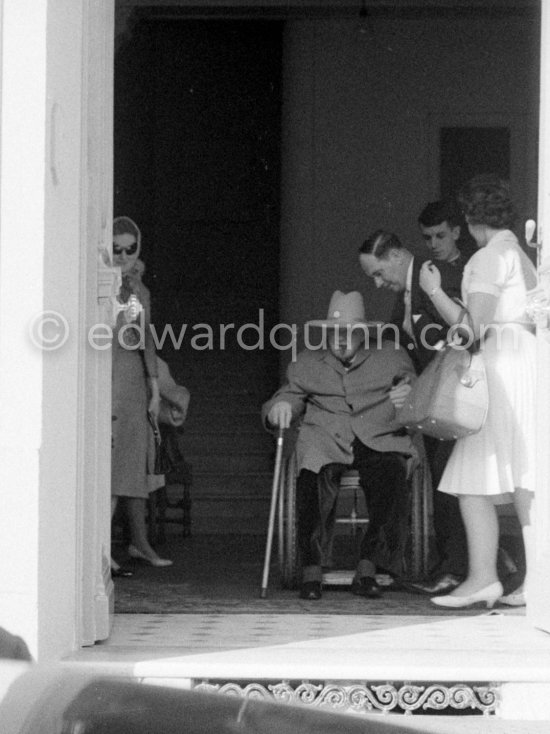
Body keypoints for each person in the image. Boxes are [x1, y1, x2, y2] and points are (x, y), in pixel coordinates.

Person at [418, 174, 536, 608]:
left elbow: (473, 327)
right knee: (524, 480)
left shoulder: (489, 258)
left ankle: (483, 577)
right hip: (523, 362)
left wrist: (433, 292)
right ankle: (534, 582)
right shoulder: (518, 254)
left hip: (501, 366)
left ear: (468, 217)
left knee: (472, 478)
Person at [262, 290, 417, 601]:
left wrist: (410, 392)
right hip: (326, 437)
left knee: (392, 475)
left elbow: (418, 389)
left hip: (378, 435)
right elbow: (288, 396)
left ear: (363, 332)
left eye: (350, 332)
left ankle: (369, 566)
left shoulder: (391, 356)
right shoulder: (306, 363)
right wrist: (279, 408)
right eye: (335, 332)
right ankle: (311, 569)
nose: (342, 339)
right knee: (311, 479)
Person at [359, 230, 468, 595]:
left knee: (450, 480)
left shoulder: (430, 276)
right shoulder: (406, 290)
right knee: (443, 479)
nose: (377, 283)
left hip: (452, 396)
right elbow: (401, 345)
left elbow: (462, 331)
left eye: (378, 272)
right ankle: (459, 563)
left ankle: (458, 568)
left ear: (394, 256)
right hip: (433, 400)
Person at [111, 216, 172, 572]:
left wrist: (153, 388)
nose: (123, 256)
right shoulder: (100, 283)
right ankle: (102, 547)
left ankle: (140, 542)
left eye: (129, 249)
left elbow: (145, 339)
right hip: (106, 373)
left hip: (132, 376)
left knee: (135, 461)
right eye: (116, 249)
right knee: (114, 462)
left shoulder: (140, 289)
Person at [417, 199, 477, 268]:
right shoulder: (422, 269)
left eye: (440, 236)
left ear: (455, 233)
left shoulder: (472, 268)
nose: (433, 245)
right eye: (427, 238)